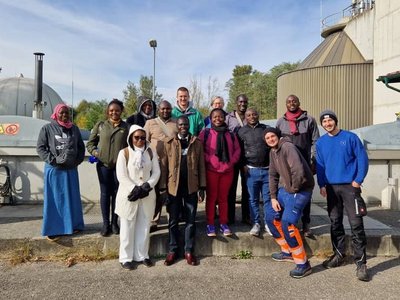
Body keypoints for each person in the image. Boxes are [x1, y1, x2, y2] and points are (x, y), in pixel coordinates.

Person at [316, 110, 370, 281]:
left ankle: (361, 263)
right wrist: (322, 184)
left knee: (356, 224)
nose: (327, 123)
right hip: (331, 188)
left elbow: (362, 159)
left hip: (349, 186)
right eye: (324, 121)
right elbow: (320, 165)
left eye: (330, 120)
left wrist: (358, 180)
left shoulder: (350, 137)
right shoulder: (321, 143)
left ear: (335, 121)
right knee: (335, 222)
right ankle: (338, 255)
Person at [264, 127, 314, 279]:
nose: (271, 139)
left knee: (288, 222)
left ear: (278, 136)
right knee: (270, 216)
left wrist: (293, 189)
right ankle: (287, 252)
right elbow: (272, 175)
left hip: (300, 190)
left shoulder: (287, 147)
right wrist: (273, 197)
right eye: (267, 138)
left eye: (272, 136)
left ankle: (303, 264)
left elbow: (298, 170)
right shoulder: (273, 152)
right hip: (286, 190)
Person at [159, 115, 206, 266]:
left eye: (185, 124)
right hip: (173, 188)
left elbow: (201, 166)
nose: (183, 127)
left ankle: (188, 251)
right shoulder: (170, 143)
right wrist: (163, 188)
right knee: (173, 221)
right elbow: (164, 166)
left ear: (189, 126)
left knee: (190, 221)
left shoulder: (196, 142)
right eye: (180, 125)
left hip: (191, 187)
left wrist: (202, 187)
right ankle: (172, 250)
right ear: (177, 126)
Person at [36, 103, 85, 241]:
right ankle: (53, 228)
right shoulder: (47, 128)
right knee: (55, 200)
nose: (64, 115)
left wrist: (77, 161)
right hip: (55, 170)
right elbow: (40, 148)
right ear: (56, 113)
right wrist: (53, 160)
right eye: (62, 112)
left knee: (72, 198)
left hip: (71, 170)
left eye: (67, 112)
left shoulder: (74, 129)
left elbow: (81, 147)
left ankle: (74, 225)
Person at [114, 125, 160, 270]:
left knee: (144, 226)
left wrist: (147, 185)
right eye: (137, 137)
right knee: (127, 227)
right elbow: (121, 175)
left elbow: (156, 172)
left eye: (142, 137)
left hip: (146, 195)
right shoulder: (124, 153)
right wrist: (133, 189)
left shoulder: (151, 152)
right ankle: (126, 257)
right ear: (131, 138)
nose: (140, 140)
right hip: (129, 195)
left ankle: (142, 255)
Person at [276, 94, 320, 237]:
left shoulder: (309, 120)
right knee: (286, 194)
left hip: (305, 164)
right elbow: (275, 144)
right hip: (286, 166)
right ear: (286, 104)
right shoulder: (280, 122)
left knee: (304, 194)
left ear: (299, 102)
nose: (292, 103)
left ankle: (306, 223)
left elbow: (315, 142)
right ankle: (289, 223)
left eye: (294, 101)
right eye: (289, 101)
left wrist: (315, 160)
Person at [86, 99, 129, 236]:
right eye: (111, 110)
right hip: (103, 166)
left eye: (117, 110)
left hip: (120, 167)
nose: (114, 112)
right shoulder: (100, 125)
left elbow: (131, 145)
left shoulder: (126, 127)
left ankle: (114, 223)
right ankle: (105, 224)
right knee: (105, 194)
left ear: (121, 111)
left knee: (117, 194)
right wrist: (95, 152)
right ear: (107, 111)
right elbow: (90, 143)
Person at [198, 108, 241, 237]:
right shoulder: (205, 133)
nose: (218, 119)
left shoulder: (231, 134)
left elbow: (237, 150)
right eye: (215, 117)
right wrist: (210, 160)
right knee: (211, 198)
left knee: (223, 198)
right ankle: (210, 224)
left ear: (224, 118)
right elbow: (200, 150)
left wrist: (231, 162)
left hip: (227, 171)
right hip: (211, 171)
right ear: (211, 119)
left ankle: (223, 223)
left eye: (220, 117)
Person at [143, 100, 178, 231]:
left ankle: (172, 219)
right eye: (163, 109)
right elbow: (143, 141)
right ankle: (154, 220)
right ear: (158, 110)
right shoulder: (150, 123)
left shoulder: (176, 123)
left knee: (171, 192)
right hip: (155, 165)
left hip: (172, 165)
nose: (165, 111)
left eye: (168, 109)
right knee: (156, 193)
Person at [237, 108, 271, 236]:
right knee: (253, 199)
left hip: (267, 170)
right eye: (249, 115)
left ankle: (268, 223)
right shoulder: (241, 131)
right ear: (245, 117)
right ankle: (256, 223)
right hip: (251, 171)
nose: (252, 117)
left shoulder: (265, 129)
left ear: (258, 115)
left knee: (268, 199)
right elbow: (238, 150)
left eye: (254, 114)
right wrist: (242, 164)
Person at [225, 94, 250, 225]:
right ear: (236, 102)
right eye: (240, 101)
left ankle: (246, 216)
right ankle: (230, 217)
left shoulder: (250, 116)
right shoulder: (228, 118)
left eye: (245, 102)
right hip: (232, 157)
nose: (243, 104)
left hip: (247, 158)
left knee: (247, 188)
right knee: (231, 187)